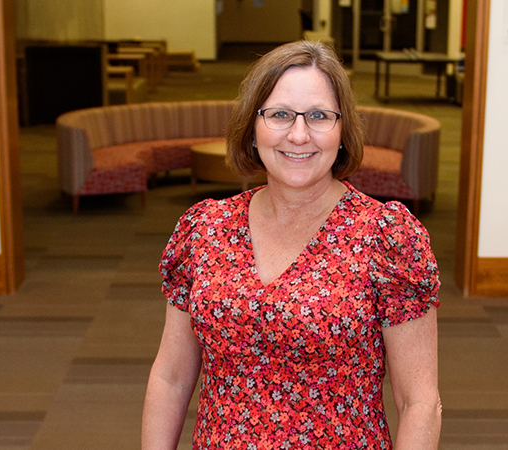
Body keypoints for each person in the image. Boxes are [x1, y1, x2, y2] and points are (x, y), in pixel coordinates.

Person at [142, 40, 441, 450]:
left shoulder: (385, 238)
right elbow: (171, 378)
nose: (299, 134)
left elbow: (419, 403)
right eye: (280, 114)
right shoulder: (205, 228)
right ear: (252, 128)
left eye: (318, 115)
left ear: (342, 130)